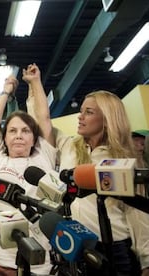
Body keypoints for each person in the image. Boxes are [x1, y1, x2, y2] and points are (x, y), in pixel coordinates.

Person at [26, 63, 149, 275]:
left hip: (115, 251)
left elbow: (138, 216)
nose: (80, 116)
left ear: (108, 119)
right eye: (80, 111)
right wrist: (35, 83)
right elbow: (41, 120)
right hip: (77, 247)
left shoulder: (125, 158)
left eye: (88, 112)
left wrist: (147, 262)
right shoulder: (70, 147)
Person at [0, 71, 56, 275]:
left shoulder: (44, 156)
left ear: (34, 138)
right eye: (13, 131)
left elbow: (44, 116)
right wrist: (6, 91)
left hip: (39, 261)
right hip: (1, 259)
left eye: (25, 131)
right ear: (4, 138)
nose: (18, 136)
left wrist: (35, 82)